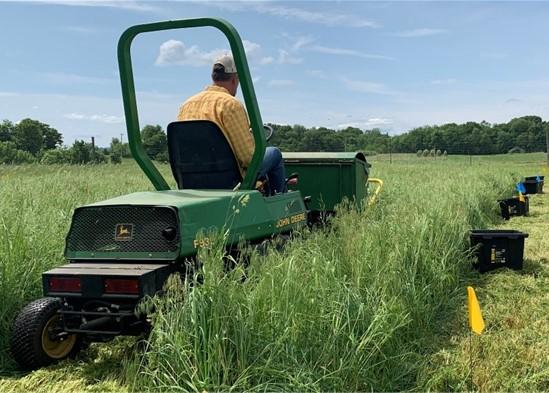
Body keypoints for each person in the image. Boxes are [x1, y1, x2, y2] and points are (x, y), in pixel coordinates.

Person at [177, 54, 287, 195]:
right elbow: (248, 158)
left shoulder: (186, 105)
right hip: (227, 178)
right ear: (235, 79)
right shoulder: (230, 104)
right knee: (274, 154)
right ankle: (280, 205)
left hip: (190, 178)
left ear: (213, 78)